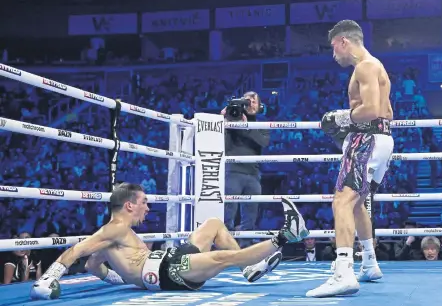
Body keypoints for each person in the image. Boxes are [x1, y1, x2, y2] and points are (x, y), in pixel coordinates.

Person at [30, 183, 309, 300]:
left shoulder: (118, 236)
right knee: (221, 258)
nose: (147, 208)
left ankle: (248, 270)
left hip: (169, 259)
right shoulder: (114, 229)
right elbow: (77, 251)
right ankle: (286, 234)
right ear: (129, 206)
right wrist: (49, 279)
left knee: (213, 224)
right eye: (144, 203)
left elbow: (93, 265)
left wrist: (123, 278)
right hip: (168, 271)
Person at [306, 20, 394, 298]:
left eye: (334, 47)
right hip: (380, 139)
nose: (333, 54)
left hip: (366, 138)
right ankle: (369, 263)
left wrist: (341, 117)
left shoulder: (365, 66)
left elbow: (370, 110)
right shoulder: (376, 65)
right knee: (357, 204)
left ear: (344, 41)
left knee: (341, 200)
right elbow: (387, 111)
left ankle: (343, 271)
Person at [221, 91, 282, 279]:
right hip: (233, 171)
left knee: (250, 219)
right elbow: (220, 138)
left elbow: (263, 141)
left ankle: (246, 257)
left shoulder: (262, 124)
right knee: (228, 216)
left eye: (253, 100)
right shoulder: (232, 116)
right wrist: (224, 118)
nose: (250, 102)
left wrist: (245, 124)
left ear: (258, 105)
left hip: (253, 174)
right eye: (247, 99)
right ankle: (225, 255)